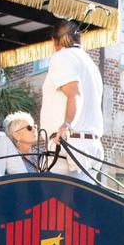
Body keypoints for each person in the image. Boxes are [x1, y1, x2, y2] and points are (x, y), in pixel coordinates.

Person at [40, 19, 105, 182]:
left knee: (54, 204)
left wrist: (66, 125)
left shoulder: (61, 57)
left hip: (68, 145)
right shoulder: (89, 62)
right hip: (90, 146)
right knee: (82, 204)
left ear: (54, 41)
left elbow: (74, 94)